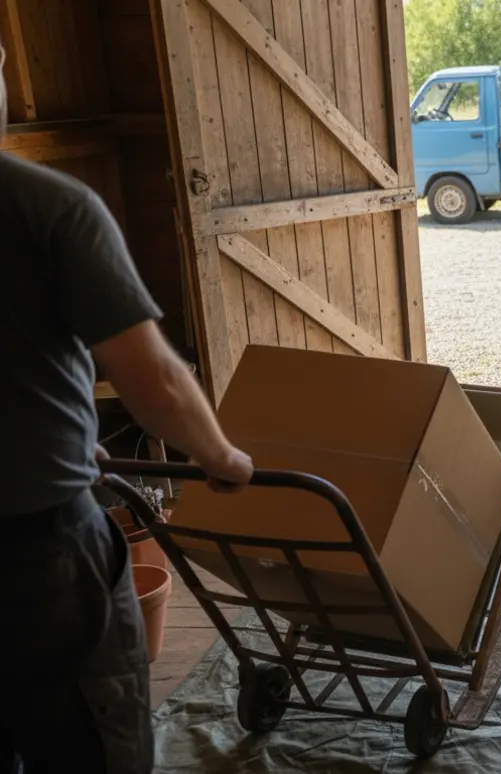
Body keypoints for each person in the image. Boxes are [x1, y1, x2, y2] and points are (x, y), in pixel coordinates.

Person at [1, 42, 254, 774]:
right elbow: (157, 384)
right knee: (92, 746)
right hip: (39, 559)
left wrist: (66, 436)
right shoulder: (49, 207)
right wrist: (222, 458)